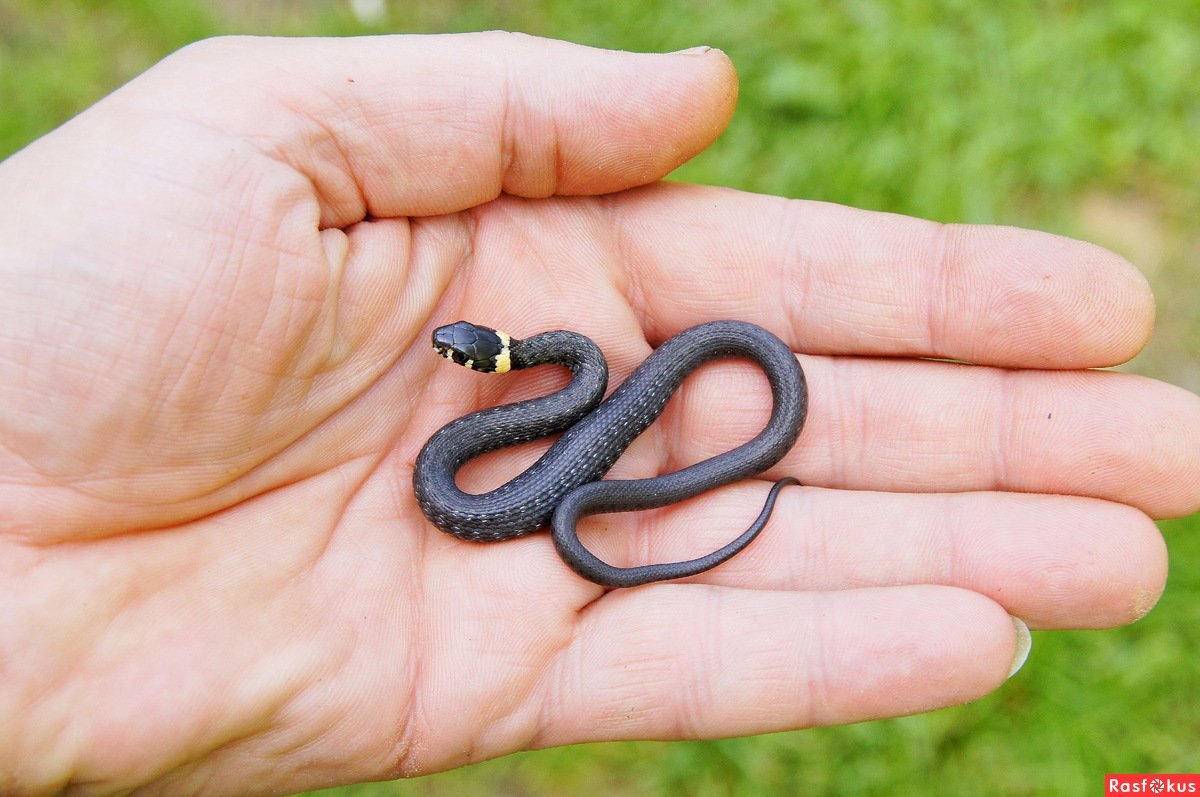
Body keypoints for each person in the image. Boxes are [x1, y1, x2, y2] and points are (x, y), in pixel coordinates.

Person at [0, 32, 1196, 796]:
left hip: (587, 439)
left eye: (460, 354)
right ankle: (631, 506)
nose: (451, 355)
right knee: (576, 491)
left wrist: (592, 485)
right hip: (571, 452)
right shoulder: (557, 384)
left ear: (495, 361)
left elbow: (569, 414)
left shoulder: (571, 372)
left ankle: (636, 502)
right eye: (461, 355)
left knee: (586, 487)